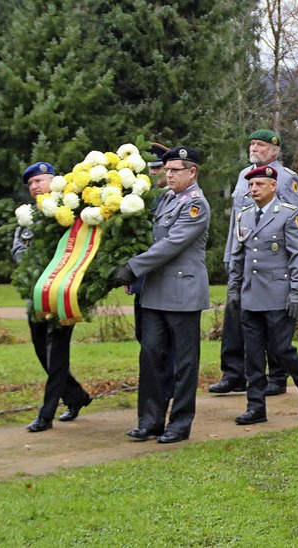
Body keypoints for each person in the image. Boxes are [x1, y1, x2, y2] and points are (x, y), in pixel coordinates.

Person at [113, 145, 210, 444]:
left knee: (184, 362)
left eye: (175, 170)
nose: (168, 174)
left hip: (182, 292)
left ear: (192, 172)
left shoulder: (196, 204)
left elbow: (171, 245)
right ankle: (150, 421)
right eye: (166, 170)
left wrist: (132, 268)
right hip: (155, 293)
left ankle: (179, 424)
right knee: (151, 356)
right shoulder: (167, 199)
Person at [210, 129, 298, 397]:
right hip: (242, 257)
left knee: (272, 321)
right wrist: (231, 256)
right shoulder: (244, 176)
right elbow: (237, 220)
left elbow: (294, 221)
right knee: (236, 316)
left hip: (272, 264)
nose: (255, 149)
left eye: (261, 145)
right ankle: (234, 374)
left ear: (275, 150)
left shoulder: (286, 179)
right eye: (252, 144)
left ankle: (277, 376)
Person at [227, 165, 298, 424]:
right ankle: (255, 407)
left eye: (259, 185)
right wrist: (234, 287)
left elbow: (297, 255)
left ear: (272, 186)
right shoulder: (244, 215)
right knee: (253, 354)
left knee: (281, 348)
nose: (253, 189)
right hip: (251, 294)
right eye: (251, 185)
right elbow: (238, 255)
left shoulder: (288, 215)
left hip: (279, 293)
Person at [13, 162, 92, 432]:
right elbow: (17, 248)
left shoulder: (68, 213)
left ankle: (46, 415)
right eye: (31, 184)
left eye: (40, 181)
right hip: (35, 293)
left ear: (54, 181)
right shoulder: (28, 215)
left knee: (57, 353)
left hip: (62, 293)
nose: (35, 187)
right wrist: (33, 265)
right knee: (41, 351)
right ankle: (76, 396)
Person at [126, 142, 175, 402]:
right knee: (144, 339)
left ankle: (166, 393)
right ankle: (158, 393)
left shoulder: (176, 200)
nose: (154, 173)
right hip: (144, 281)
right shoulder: (139, 199)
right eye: (150, 168)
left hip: (168, 282)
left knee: (164, 345)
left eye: (158, 168)